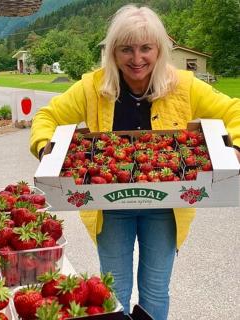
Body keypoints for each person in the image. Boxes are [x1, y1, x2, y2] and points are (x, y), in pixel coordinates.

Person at [30, 4, 240, 319]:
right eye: (126, 49)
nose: (137, 58)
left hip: (165, 206)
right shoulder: (93, 87)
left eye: (146, 48)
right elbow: (48, 116)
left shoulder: (183, 85)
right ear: (113, 52)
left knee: (155, 289)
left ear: (159, 50)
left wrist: (234, 147)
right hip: (111, 205)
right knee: (113, 291)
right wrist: (48, 147)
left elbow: (233, 110)